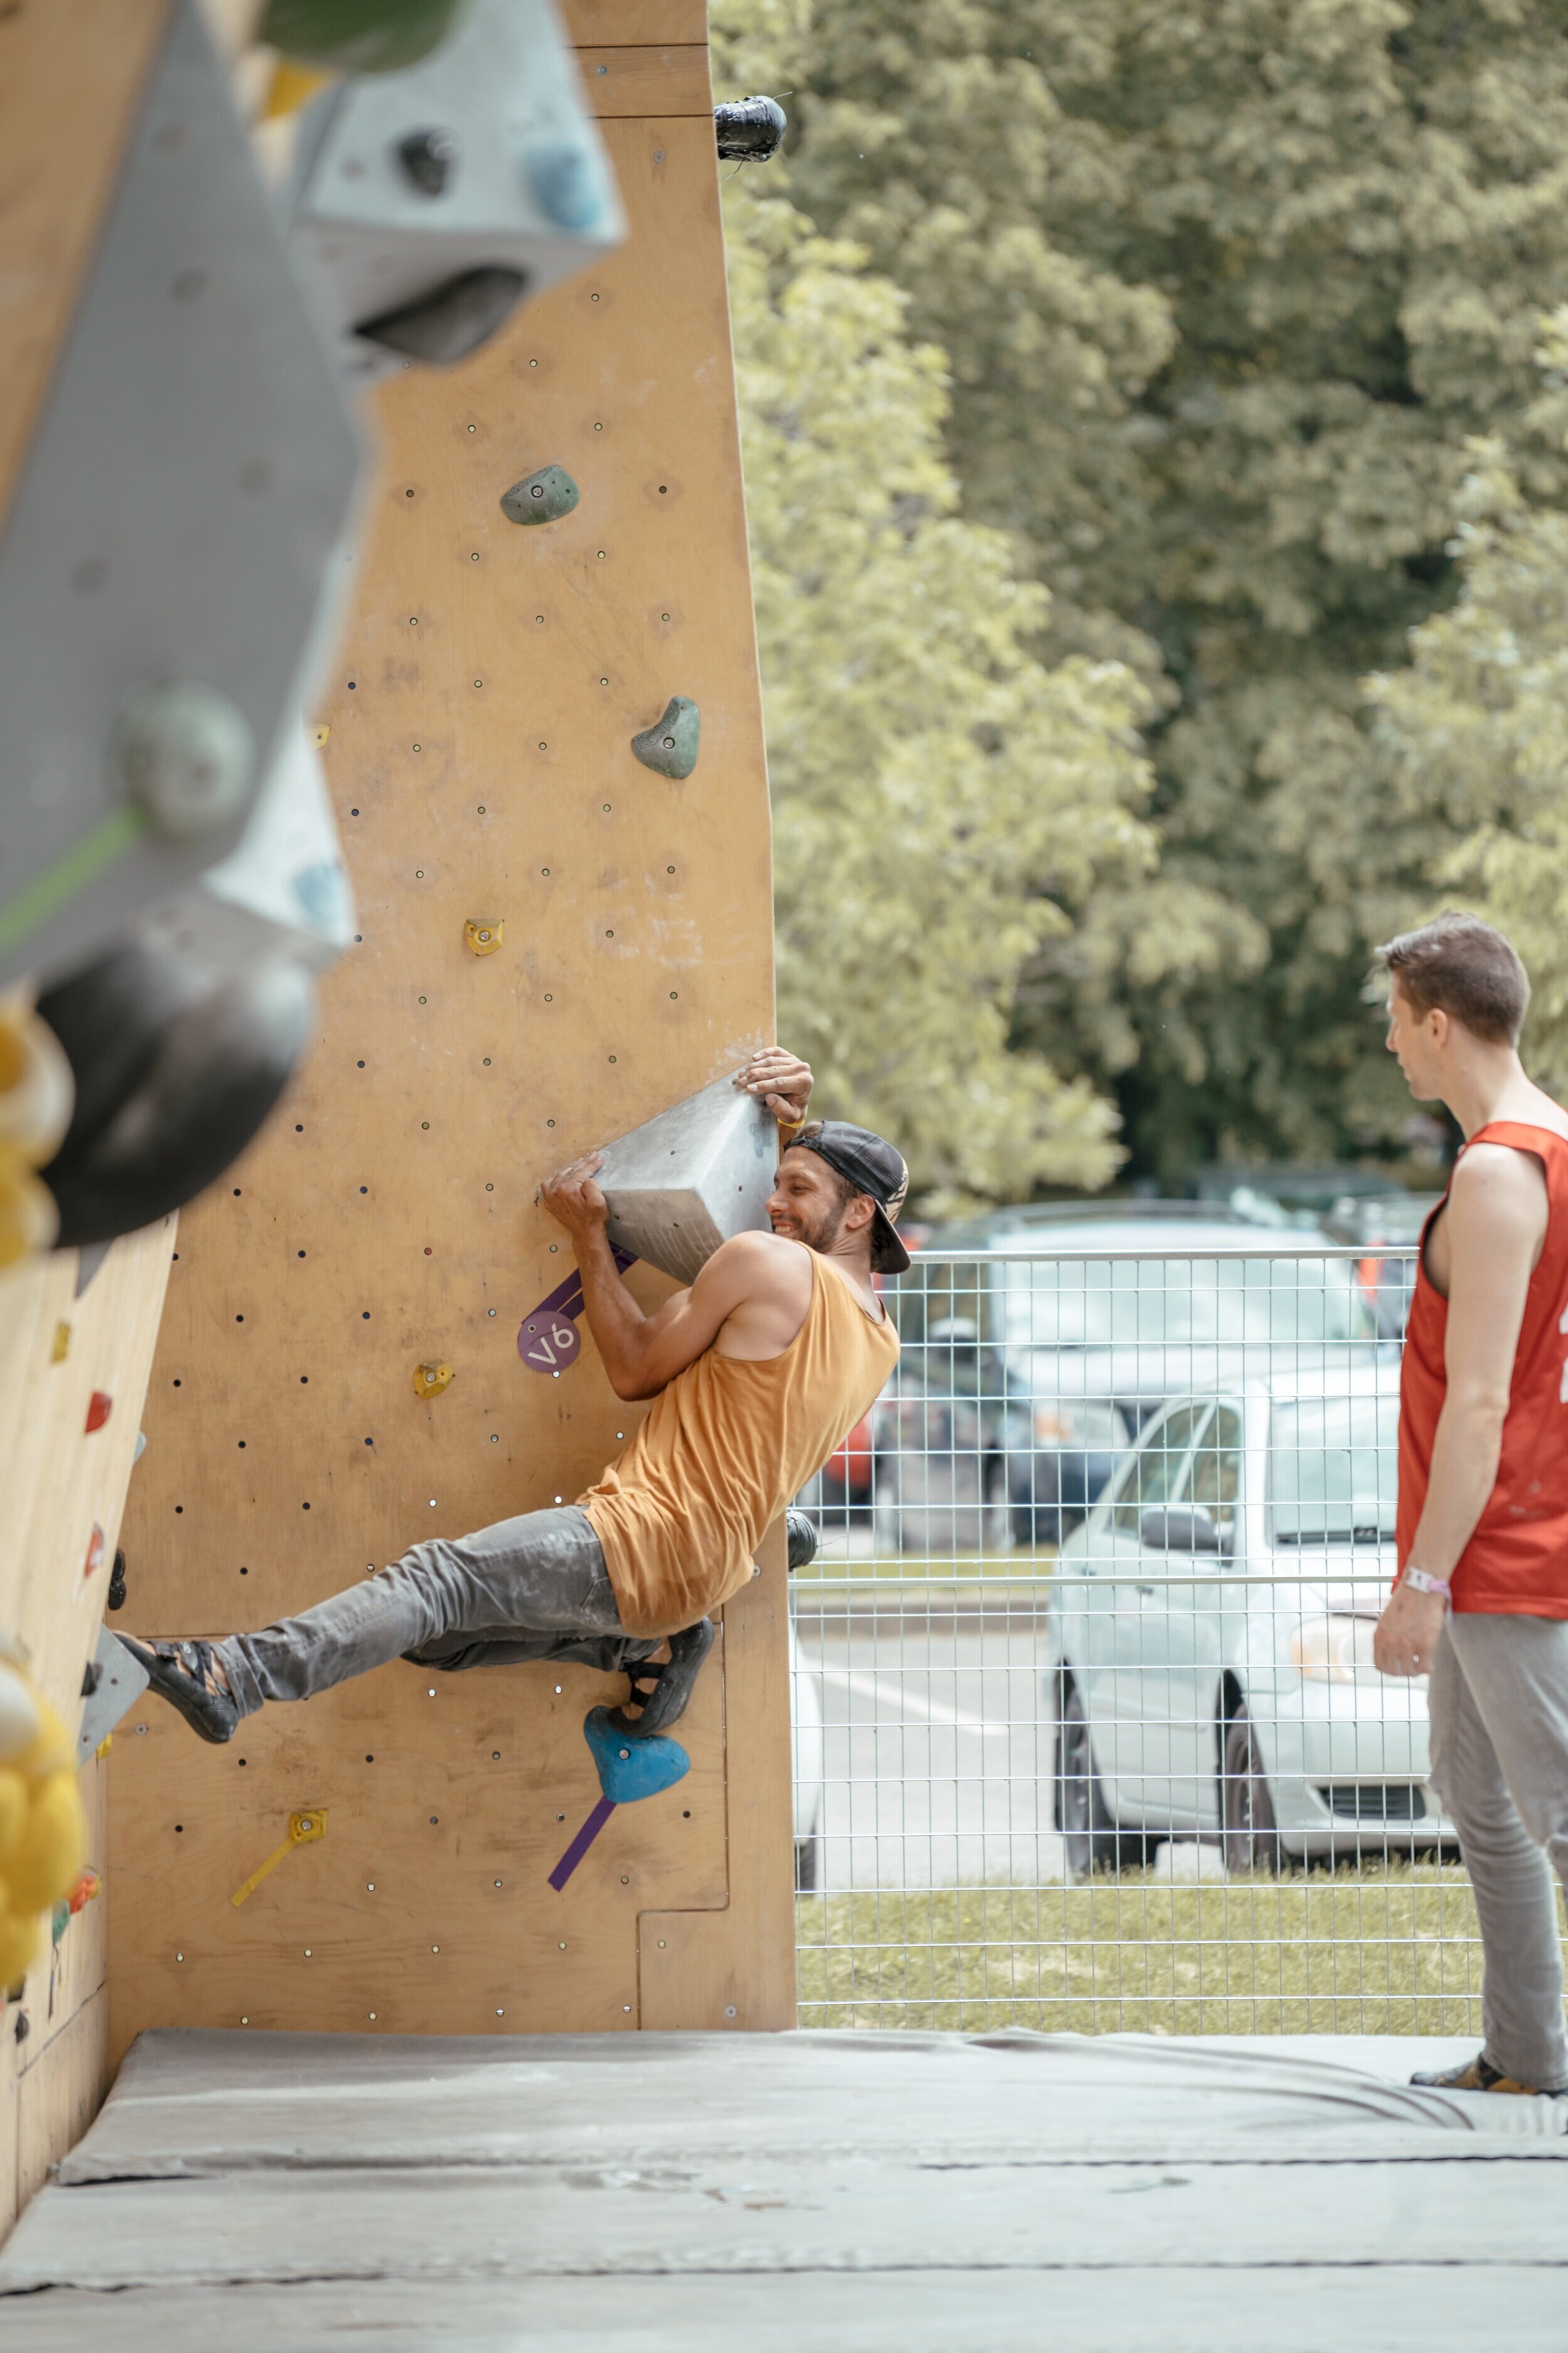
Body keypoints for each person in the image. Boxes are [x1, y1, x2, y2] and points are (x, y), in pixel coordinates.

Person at [118, 1048, 906, 1745]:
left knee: (435, 1582)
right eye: (773, 1184)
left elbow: (634, 1369)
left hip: (640, 1538)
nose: (772, 1201)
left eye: (795, 1188)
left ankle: (234, 1676)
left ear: (859, 1213)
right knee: (434, 1637)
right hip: (697, 1573)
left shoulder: (767, 1265)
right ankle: (643, 1644)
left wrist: (587, 1233)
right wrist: (782, 1132)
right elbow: (769, 1310)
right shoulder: (877, 1340)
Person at [1373, 912, 1568, 2101]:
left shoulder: (1498, 1167)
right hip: (1492, 1530)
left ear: (1437, 1021)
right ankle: (1523, 2051)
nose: (1391, 1047)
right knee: (1472, 1788)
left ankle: (1527, 2052)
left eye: (1395, 1025)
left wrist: (1424, 1582)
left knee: (1550, 1805)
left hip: (1498, 1547)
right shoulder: (1548, 1138)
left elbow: (1482, 1396)